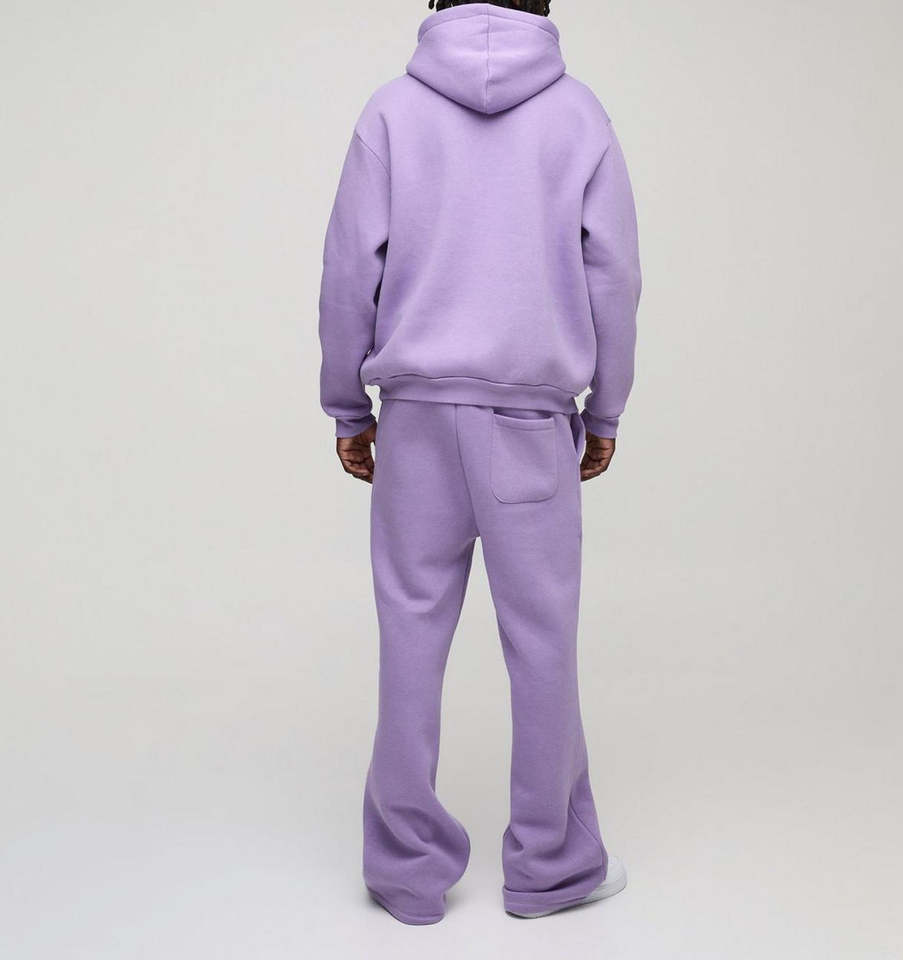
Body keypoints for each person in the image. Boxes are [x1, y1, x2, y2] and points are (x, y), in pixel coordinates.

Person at [318, 0, 641, 924]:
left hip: (416, 418)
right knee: (542, 641)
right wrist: (605, 408)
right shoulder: (578, 113)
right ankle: (551, 865)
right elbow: (615, 274)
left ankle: (406, 872)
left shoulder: (391, 111)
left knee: (410, 634)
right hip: (531, 421)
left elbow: (348, 271)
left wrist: (347, 404)